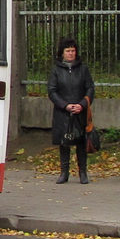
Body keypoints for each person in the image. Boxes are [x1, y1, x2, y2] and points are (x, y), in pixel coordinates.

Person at [48, 37, 96, 184]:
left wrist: (82, 104)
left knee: (81, 142)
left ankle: (83, 172)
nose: (71, 53)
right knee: (64, 142)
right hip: (63, 112)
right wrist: (65, 105)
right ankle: (64, 172)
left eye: (73, 51)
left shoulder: (83, 69)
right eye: (68, 51)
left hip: (80, 111)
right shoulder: (56, 70)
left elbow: (90, 88)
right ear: (62, 53)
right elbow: (52, 91)